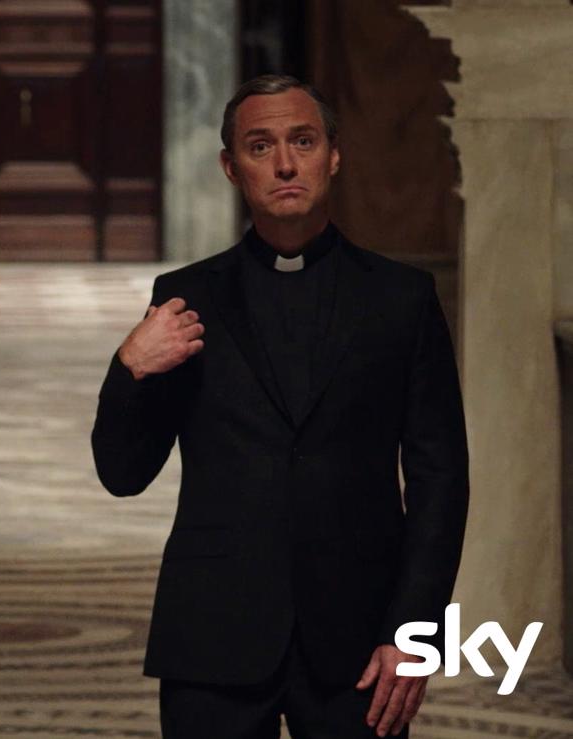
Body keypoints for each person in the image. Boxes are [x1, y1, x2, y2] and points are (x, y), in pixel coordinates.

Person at [91, 75, 469, 738]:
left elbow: (440, 479)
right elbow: (123, 474)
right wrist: (129, 369)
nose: (286, 164)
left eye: (304, 141)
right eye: (261, 146)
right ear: (231, 167)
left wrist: (415, 631)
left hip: (362, 639)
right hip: (213, 632)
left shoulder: (401, 300)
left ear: (334, 155)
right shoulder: (186, 296)